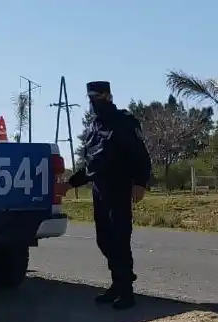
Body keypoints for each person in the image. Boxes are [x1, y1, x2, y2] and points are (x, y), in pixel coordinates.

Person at [60, 81, 151, 310]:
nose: (93, 102)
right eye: (90, 98)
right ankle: (118, 283)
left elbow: (141, 155)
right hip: (100, 190)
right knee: (104, 240)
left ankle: (126, 291)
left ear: (108, 97)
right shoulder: (94, 126)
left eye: (97, 97)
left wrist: (140, 183)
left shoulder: (123, 122)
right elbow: (92, 163)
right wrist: (70, 184)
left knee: (119, 239)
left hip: (119, 187)